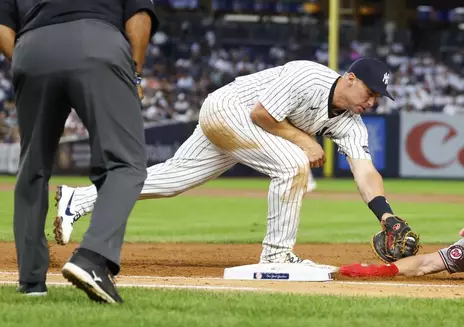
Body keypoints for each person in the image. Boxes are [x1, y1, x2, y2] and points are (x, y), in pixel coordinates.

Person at [53, 58, 420, 267]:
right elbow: (262, 114)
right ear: (350, 78)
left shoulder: (350, 123)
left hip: (245, 130)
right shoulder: (308, 75)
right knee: (293, 164)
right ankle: (277, 256)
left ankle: (79, 200)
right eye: (370, 92)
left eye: (378, 97)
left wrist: (386, 216)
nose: (372, 102)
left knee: (172, 180)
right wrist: (302, 139)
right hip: (228, 109)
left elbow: (365, 170)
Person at [0, 0, 158, 303]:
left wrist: (22, 59)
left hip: (32, 48)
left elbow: (3, 24)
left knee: (32, 167)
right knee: (126, 163)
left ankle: (31, 282)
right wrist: (134, 72)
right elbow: (139, 14)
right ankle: (93, 258)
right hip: (97, 42)